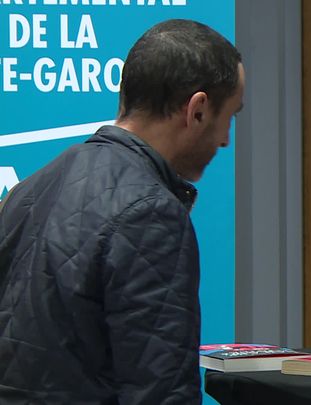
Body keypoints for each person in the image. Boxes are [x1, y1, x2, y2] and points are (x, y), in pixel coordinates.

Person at [0, 19, 244, 404]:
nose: (226, 140)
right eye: (229, 117)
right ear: (197, 110)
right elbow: (161, 391)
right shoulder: (151, 213)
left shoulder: (27, 191)